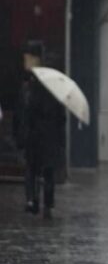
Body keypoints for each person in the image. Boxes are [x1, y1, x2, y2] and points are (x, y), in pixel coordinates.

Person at [18, 45, 66, 220]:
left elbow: (28, 113)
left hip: (36, 137)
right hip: (49, 138)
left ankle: (33, 200)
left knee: (32, 170)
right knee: (47, 172)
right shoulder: (54, 91)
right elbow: (62, 118)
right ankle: (47, 202)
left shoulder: (32, 88)